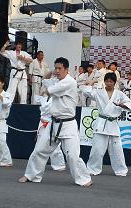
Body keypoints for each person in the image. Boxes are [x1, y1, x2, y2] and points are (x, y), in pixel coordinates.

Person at [18, 57, 92, 186]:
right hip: (54, 123)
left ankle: (84, 178)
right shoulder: (57, 80)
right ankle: (31, 174)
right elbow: (46, 80)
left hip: (68, 124)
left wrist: (45, 90)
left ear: (66, 69)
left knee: (72, 155)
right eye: (55, 68)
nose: (57, 71)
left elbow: (48, 90)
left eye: (59, 68)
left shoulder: (69, 82)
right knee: (39, 150)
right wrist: (51, 73)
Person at [81, 72, 131, 176]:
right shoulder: (99, 92)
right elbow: (85, 90)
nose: (109, 83)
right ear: (104, 82)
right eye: (107, 81)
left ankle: (120, 170)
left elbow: (129, 103)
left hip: (113, 124)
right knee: (97, 149)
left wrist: (123, 105)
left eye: (111, 81)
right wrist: (91, 82)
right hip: (101, 123)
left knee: (117, 150)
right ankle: (92, 168)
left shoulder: (119, 94)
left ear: (114, 82)